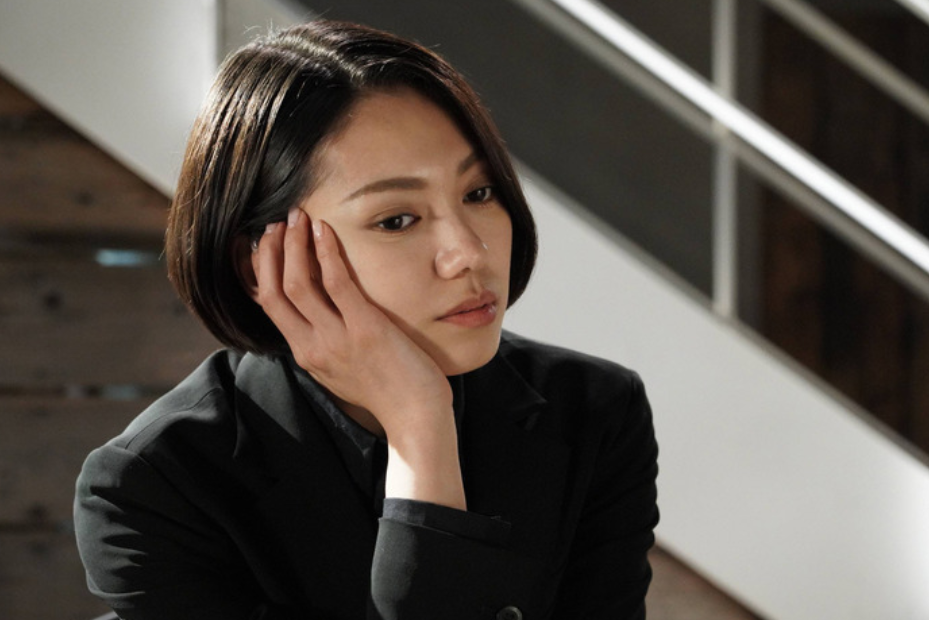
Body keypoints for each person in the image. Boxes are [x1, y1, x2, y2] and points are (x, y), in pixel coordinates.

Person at [74, 20, 659, 620]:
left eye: (479, 193)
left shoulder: (595, 411)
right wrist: (419, 425)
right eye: (396, 220)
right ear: (260, 264)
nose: (469, 252)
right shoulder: (153, 487)